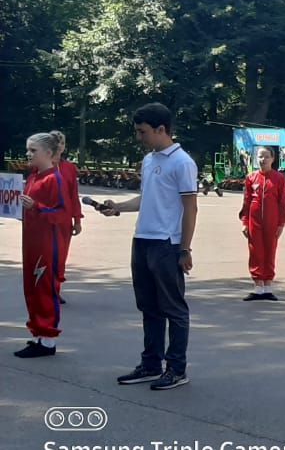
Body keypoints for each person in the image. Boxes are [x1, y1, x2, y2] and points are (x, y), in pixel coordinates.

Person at [101, 103, 199, 391]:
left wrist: (185, 248)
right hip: (142, 239)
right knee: (149, 307)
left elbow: (190, 208)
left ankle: (177, 369)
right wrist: (117, 207)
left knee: (174, 309)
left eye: (142, 132)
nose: (138, 137)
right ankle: (151, 364)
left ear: (161, 129)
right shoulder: (149, 160)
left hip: (166, 243)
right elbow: (146, 199)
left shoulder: (182, 162)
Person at [13, 132, 70, 358]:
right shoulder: (33, 177)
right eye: (28, 150)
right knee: (32, 288)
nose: (29, 154)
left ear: (48, 153)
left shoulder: (55, 179)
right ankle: (38, 334)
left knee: (45, 288)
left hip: (48, 244)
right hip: (32, 241)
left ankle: (48, 340)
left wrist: (36, 207)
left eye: (33, 150)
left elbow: (61, 213)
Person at [239, 146, 285, 301]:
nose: (263, 160)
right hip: (254, 220)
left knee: (270, 250)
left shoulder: (279, 178)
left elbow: (283, 202)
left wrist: (281, 223)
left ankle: (267, 286)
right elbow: (246, 201)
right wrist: (245, 222)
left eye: (266, 156)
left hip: (272, 220)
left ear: (273, 159)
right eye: (260, 156)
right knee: (255, 251)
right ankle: (258, 287)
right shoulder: (251, 178)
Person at [52, 132, 82, 305]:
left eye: (61, 142)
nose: (58, 145)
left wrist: (77, 220)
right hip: (43, 220)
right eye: (54, 142)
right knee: (45, 256)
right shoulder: (38, 165)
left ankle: (55, 290)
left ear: (64, 146)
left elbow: (73, 195)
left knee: (60, 257)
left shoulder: (69, 168)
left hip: (63, 222)